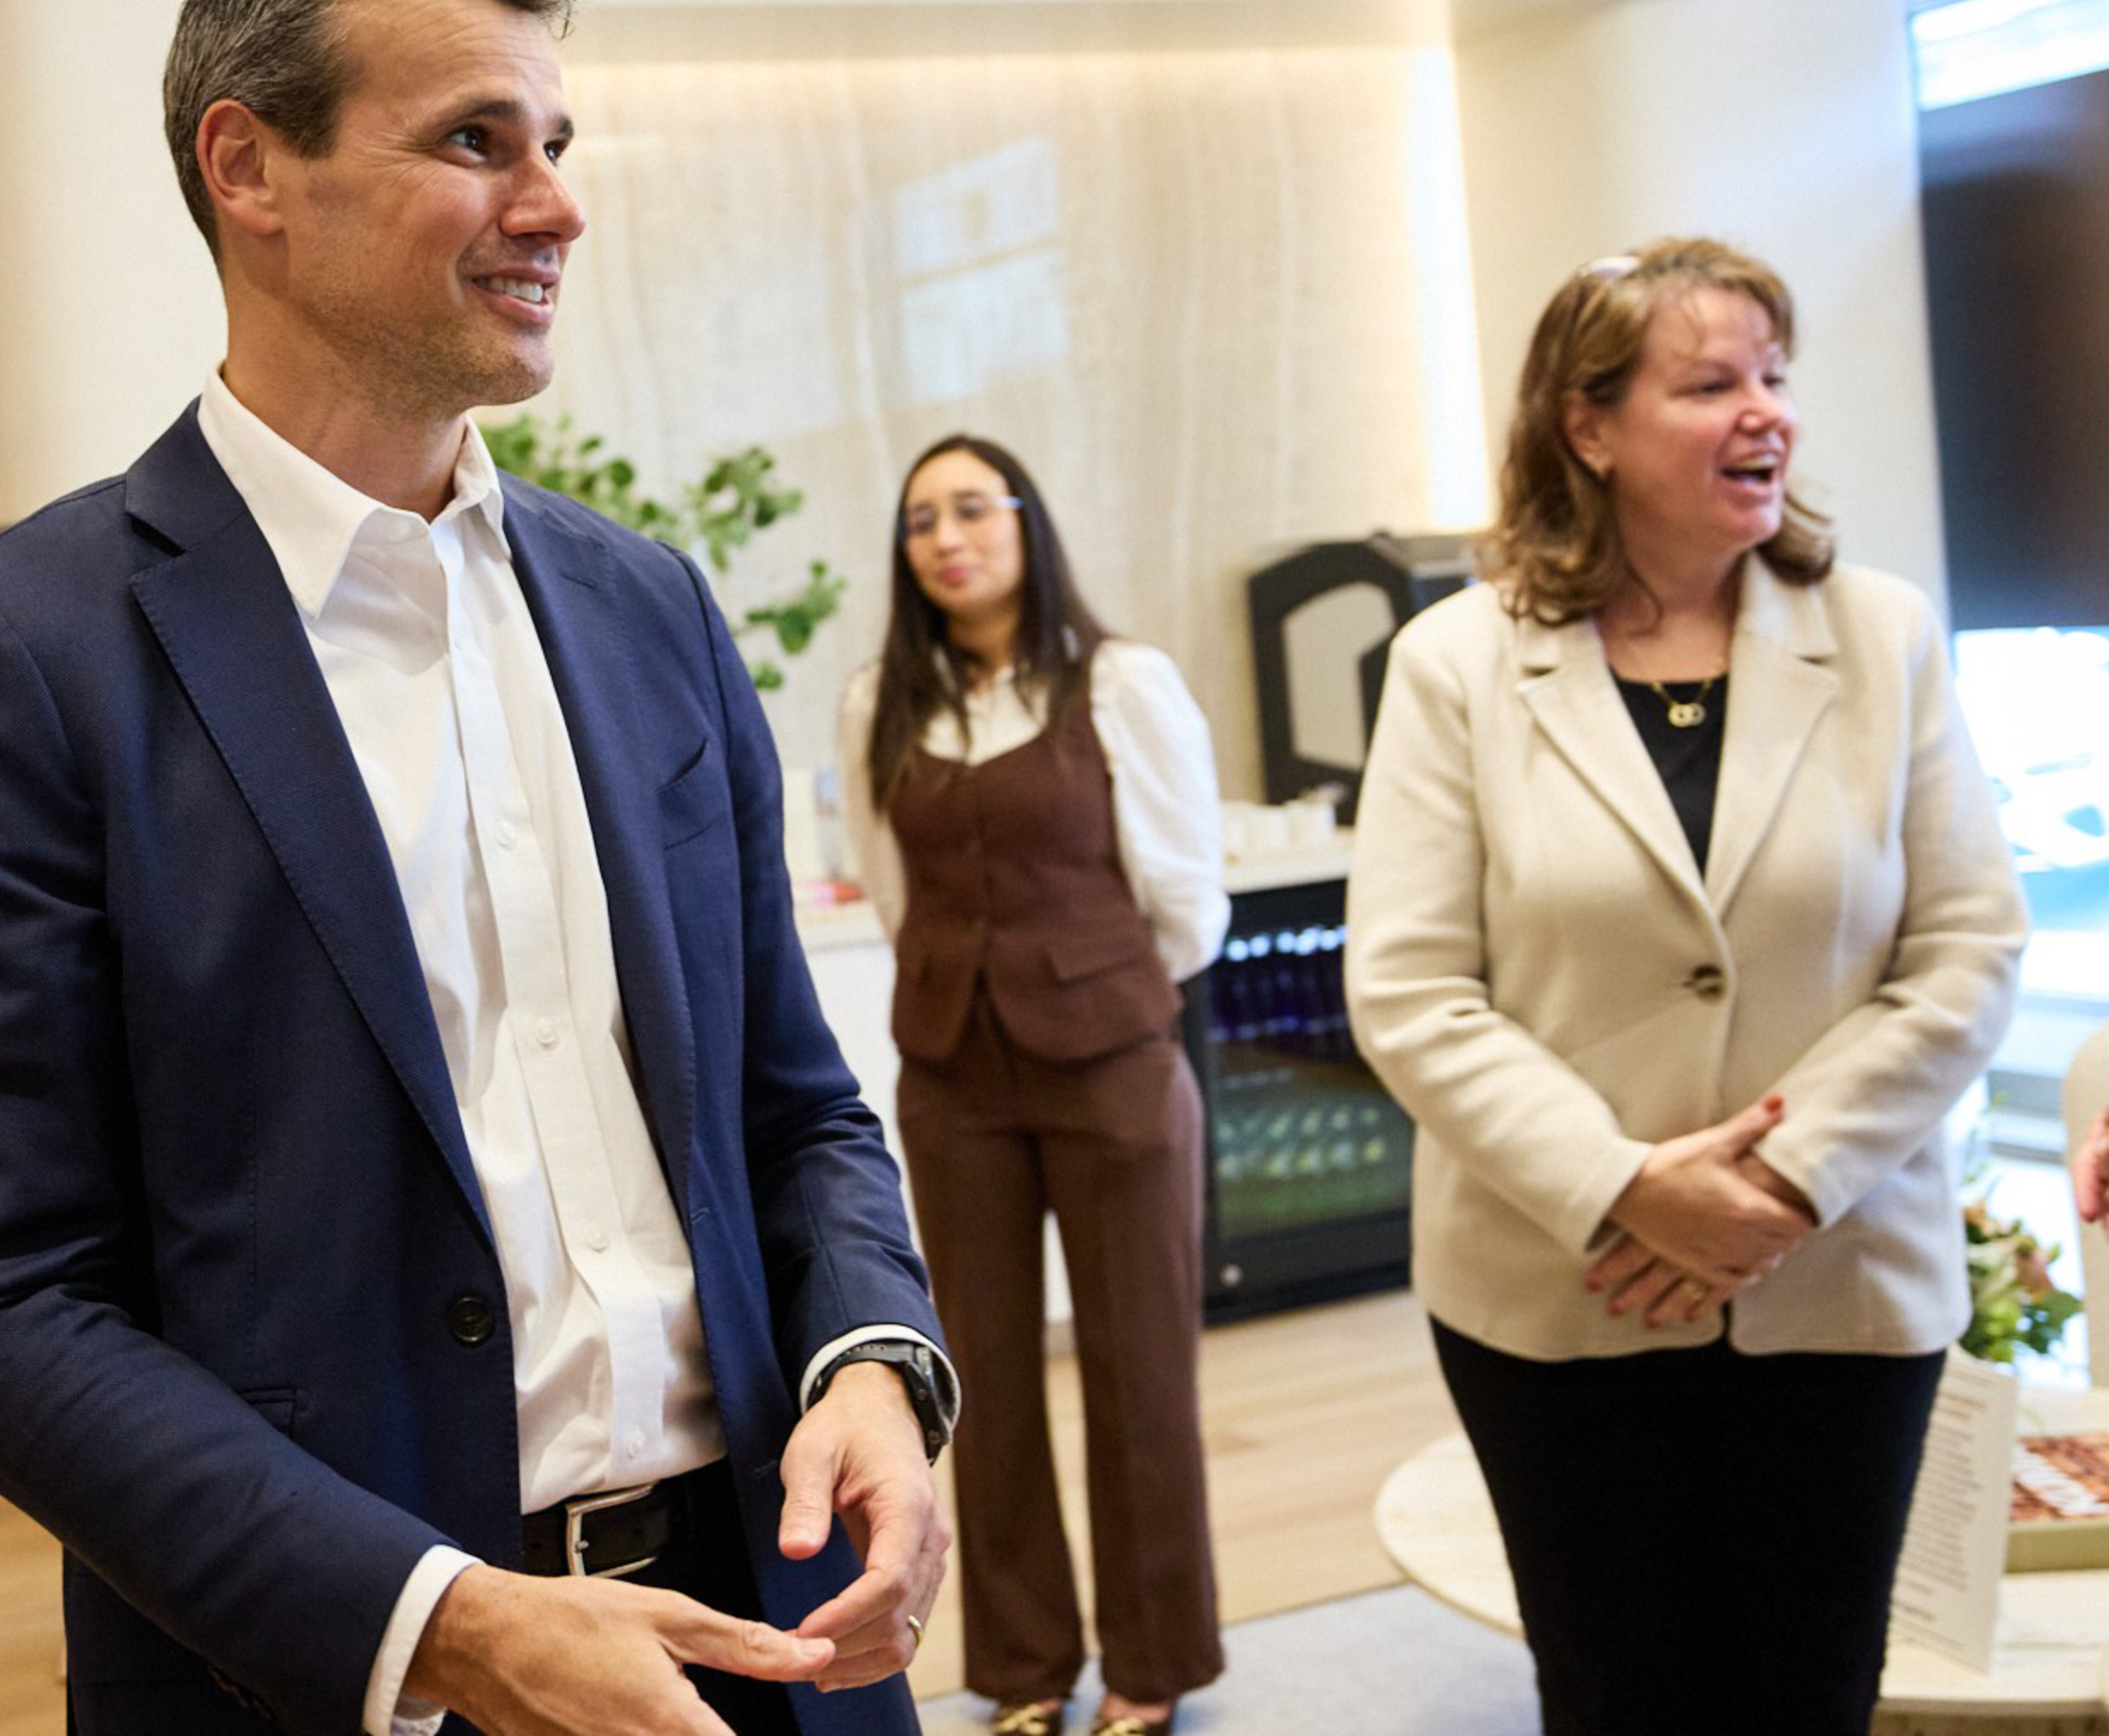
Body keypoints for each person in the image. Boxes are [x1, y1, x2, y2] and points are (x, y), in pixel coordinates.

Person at [0, 0, 955, 1736]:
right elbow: (2, 1308)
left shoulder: (649, 612)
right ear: (249, 168)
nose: (556, 206)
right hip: (337, 1673)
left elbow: (795, 1101)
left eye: (557, 144)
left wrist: (870, 1360)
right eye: (474, 140)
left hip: (770, 1631)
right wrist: (439, 1624)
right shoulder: (14, 663)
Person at [1344, 237, 2027, 1733]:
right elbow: (1408, 988)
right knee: (1616, 1695)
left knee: (1815, 1691)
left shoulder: (1884, 634)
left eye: (1774, 377)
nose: (1764, 412)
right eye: (1710, 382)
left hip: (1837, 1281)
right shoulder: (1454, 663)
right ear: (1587, 427)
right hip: (1560, 1290)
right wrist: (1623, 1186)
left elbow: (1969, 945)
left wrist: (1778, 1184)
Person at [834, 435, 1224, 1736]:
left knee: (1140, 1375)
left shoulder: (1123, 683)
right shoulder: (878, 700)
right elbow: (891, 890)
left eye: (970, 509)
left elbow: (1188, 904)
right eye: (918, 521)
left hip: (1114, 1067)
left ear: (1025, 523)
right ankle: (1024, 1669)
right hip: (953, 1079)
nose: (945, 537)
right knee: (981, 1380)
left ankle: (1153, 1666)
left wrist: (1088, 989)